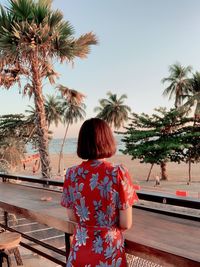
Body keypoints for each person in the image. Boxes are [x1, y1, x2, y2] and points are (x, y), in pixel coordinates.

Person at [61, 118, 138, 267]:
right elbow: (126, 223)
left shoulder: (71, 174)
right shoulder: (118, 173)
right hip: (109, 252)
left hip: (80, 249)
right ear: (107, 140)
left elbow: (71, 216)